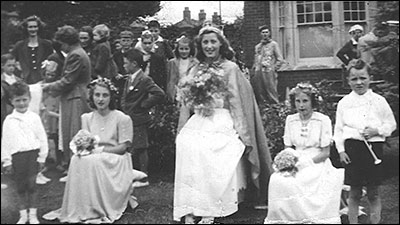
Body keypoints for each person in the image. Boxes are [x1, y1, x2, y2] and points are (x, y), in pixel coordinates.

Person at [174, 26, 273, 224]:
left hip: (223, 117)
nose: (209, 46)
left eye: (213, 41)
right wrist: (182, 126)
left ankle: (212, 206)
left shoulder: (230, 68)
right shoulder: (195, 68)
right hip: (201, 117)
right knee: (188, 144)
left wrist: (243, 133)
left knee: (211, 148)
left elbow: (237, 101)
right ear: (200, 46)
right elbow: (187, 102)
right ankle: (191, 206)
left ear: (221, 44)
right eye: (205, 42)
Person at [42, 77, 146, 223]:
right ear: (92, 96)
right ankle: (84, 205)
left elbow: (123, 148)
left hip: (117, 158)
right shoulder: (87, 118)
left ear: (111, 97)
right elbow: (86, 142)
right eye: (97, 95)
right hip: (94, 156)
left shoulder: (122, 118)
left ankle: (99, 206)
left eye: (105, 95)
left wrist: (101, 150)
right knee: (76, 159)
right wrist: (83, 149)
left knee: (94, 160)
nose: (101, 99)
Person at [264, 82, 344, 224]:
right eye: (298, 101)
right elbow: (287, 148)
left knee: (306, 178)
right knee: (277, 179)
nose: (301, 105)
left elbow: (326, 153)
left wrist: (305, 163)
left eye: (305, 101)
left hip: (317, 160)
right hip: (296, 158)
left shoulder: (322, 120)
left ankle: (312, 217)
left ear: (313, 102)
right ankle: (289, 218)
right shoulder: (291, 120)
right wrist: (287, 162)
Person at [333, 59, 396, 224]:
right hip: (353, 149)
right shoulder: (344, 103)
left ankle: (375, 221)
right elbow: (338, 130)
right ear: (348, 81)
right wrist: (341, 151)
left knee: (373, 192)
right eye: (354, 79)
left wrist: (377, 131)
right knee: (354, 192)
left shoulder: (379, 101)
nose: (359, 82)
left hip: (374, 149)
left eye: (363, 78)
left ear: (370, 78)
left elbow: (391, 124)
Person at [41, 25, 92, 181]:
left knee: (74, 133)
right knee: (75, 133)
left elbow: (68, 81)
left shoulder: (75, 55)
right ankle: (74, 169)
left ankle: (75, 171)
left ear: (66, 42)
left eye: (61, 43)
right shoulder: (79, 52)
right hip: (76, 95)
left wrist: (48, 86)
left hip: (75, 97)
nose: (61, 47)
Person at [1, 81, 48, 224]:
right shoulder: (9, 120)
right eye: (17, 100)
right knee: (20, 187)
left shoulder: (34, 117)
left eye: (24, 100)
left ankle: (33, 214)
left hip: (32, 156)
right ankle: (23, 215)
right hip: (17, 158)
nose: (21, 103)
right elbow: (6, 142)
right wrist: (7, 161)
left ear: (29, 99)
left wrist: (42, 157)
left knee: (32, 185)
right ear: (11, 101)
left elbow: (42, 138)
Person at [121, 49, 166, 187]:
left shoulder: (145, 79)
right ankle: (132, 174)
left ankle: (144, 177)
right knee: (131, 146)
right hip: (129, 117)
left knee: (141, 147)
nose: (124, 66)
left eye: (126, 63)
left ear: (134, 64)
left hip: (139, 118)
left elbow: (159, 94)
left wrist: (144, 105)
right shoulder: (129, 77)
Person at [11, 15, 53, 84]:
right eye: (30, 27)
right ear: (26, 29)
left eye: (35, 27)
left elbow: (52, 61)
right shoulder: (19, 45)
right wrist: (19, 71)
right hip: (25, 81)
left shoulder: (46, 44)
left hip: (42, 81)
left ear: (38, 28)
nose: (33, 29)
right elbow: (10, 61)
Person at [251, 25, 284, 104]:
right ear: (260, 34)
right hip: (259, 72)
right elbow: (256, 60)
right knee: (261, 91)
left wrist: (274, 68)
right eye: (263, 32)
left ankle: (275, 108)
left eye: (266, 32)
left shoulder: (273, 44)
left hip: (269, 71)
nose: (265, 34)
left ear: (269, 33)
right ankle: (264, 109)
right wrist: (254, 69)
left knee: (271, 90)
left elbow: (280, 59)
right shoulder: (258, 47)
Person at [166, 34, 197, 103]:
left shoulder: (195, 62)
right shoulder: (172, 62)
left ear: (190, 49)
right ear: (177, 49)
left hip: (189, 91)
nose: (184, 51)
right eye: (181, 49)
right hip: (175, 91)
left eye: (186, 49)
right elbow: (168, 78)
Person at [1, 53, 22, 132]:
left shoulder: (19, 80)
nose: (11, 68)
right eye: (9, 65)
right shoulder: (2, 80)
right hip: (4, 109)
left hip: (17, 108)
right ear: (2, 66)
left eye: (13, 65)